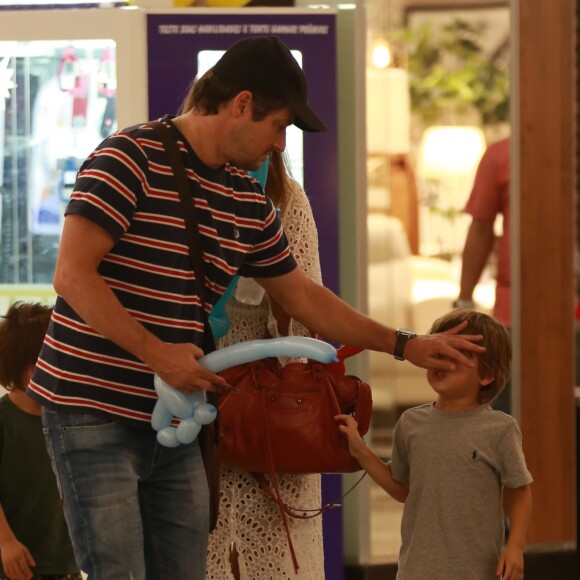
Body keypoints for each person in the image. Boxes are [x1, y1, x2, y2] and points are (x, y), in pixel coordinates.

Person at [28, 36, 486, 579]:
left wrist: (407, 344)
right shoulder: (128, 157)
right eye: (278, 126)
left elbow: (306, 298)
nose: (279, 144)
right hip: (92, 410)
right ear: (241, 103)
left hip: (175, 418)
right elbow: (72, 276)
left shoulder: (245, 200)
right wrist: (159, 356)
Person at [337, 308, 532, 580]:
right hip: (416, 570)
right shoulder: (410, 424)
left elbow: (520, 492)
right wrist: (361, 451)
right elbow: (403, 489)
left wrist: (515, 547)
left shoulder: (500, 430)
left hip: (477, 572)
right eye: (438, 351)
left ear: (487, 376)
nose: (442, 361)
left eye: (458, 354)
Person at [206, 151, 324, 579]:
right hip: (193, 390)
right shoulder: (185, 194)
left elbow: (307, 311)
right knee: (203, 543)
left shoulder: (288, 200)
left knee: (273, 551)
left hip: (271, 403)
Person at [0, 302, 81, 580]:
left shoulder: (71, 421)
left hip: (65, 566)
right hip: (15, 567)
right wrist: (6, 542)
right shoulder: (4, 422)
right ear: (31, 372)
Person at [455, 137, 511, 412]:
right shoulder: (501, 155)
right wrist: (464, 300)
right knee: (510, 414)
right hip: (513, 313)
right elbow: (481, 227)